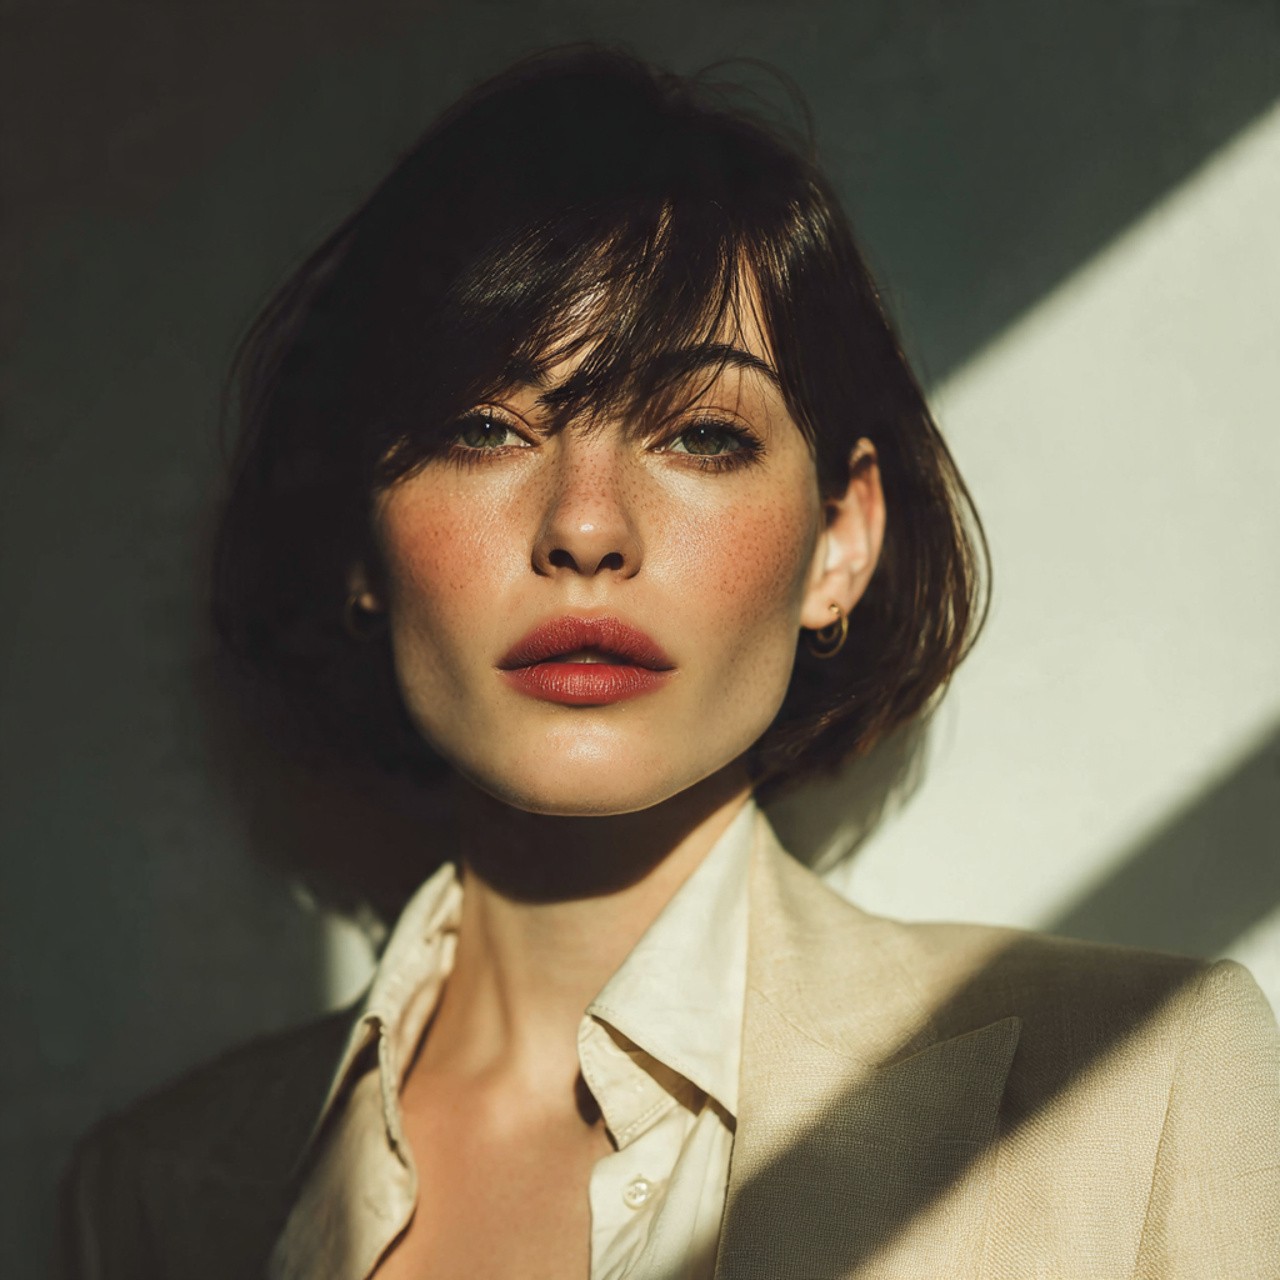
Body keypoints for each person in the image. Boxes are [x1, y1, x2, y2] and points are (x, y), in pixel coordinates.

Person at [61, 46, 1278, 1280]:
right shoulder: (150, 1198)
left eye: (700, 431)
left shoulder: (1146, 1083)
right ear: (356, 541)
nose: (584, 527)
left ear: (837, 540)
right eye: (484, 426)